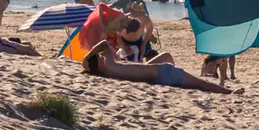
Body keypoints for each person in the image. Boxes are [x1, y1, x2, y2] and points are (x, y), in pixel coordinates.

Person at [81, 40, 235, 93]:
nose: (102, 55)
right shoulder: (110, 65)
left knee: (201, 84)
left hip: (161, 72)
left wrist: (91, 62)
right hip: (164, 73)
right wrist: (87, 57)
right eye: (99, 57)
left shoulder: (108, 69)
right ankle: (229, 91)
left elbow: (104, 48)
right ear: (99, 64)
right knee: (201, 84)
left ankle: (227, 89)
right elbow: (104, 45)